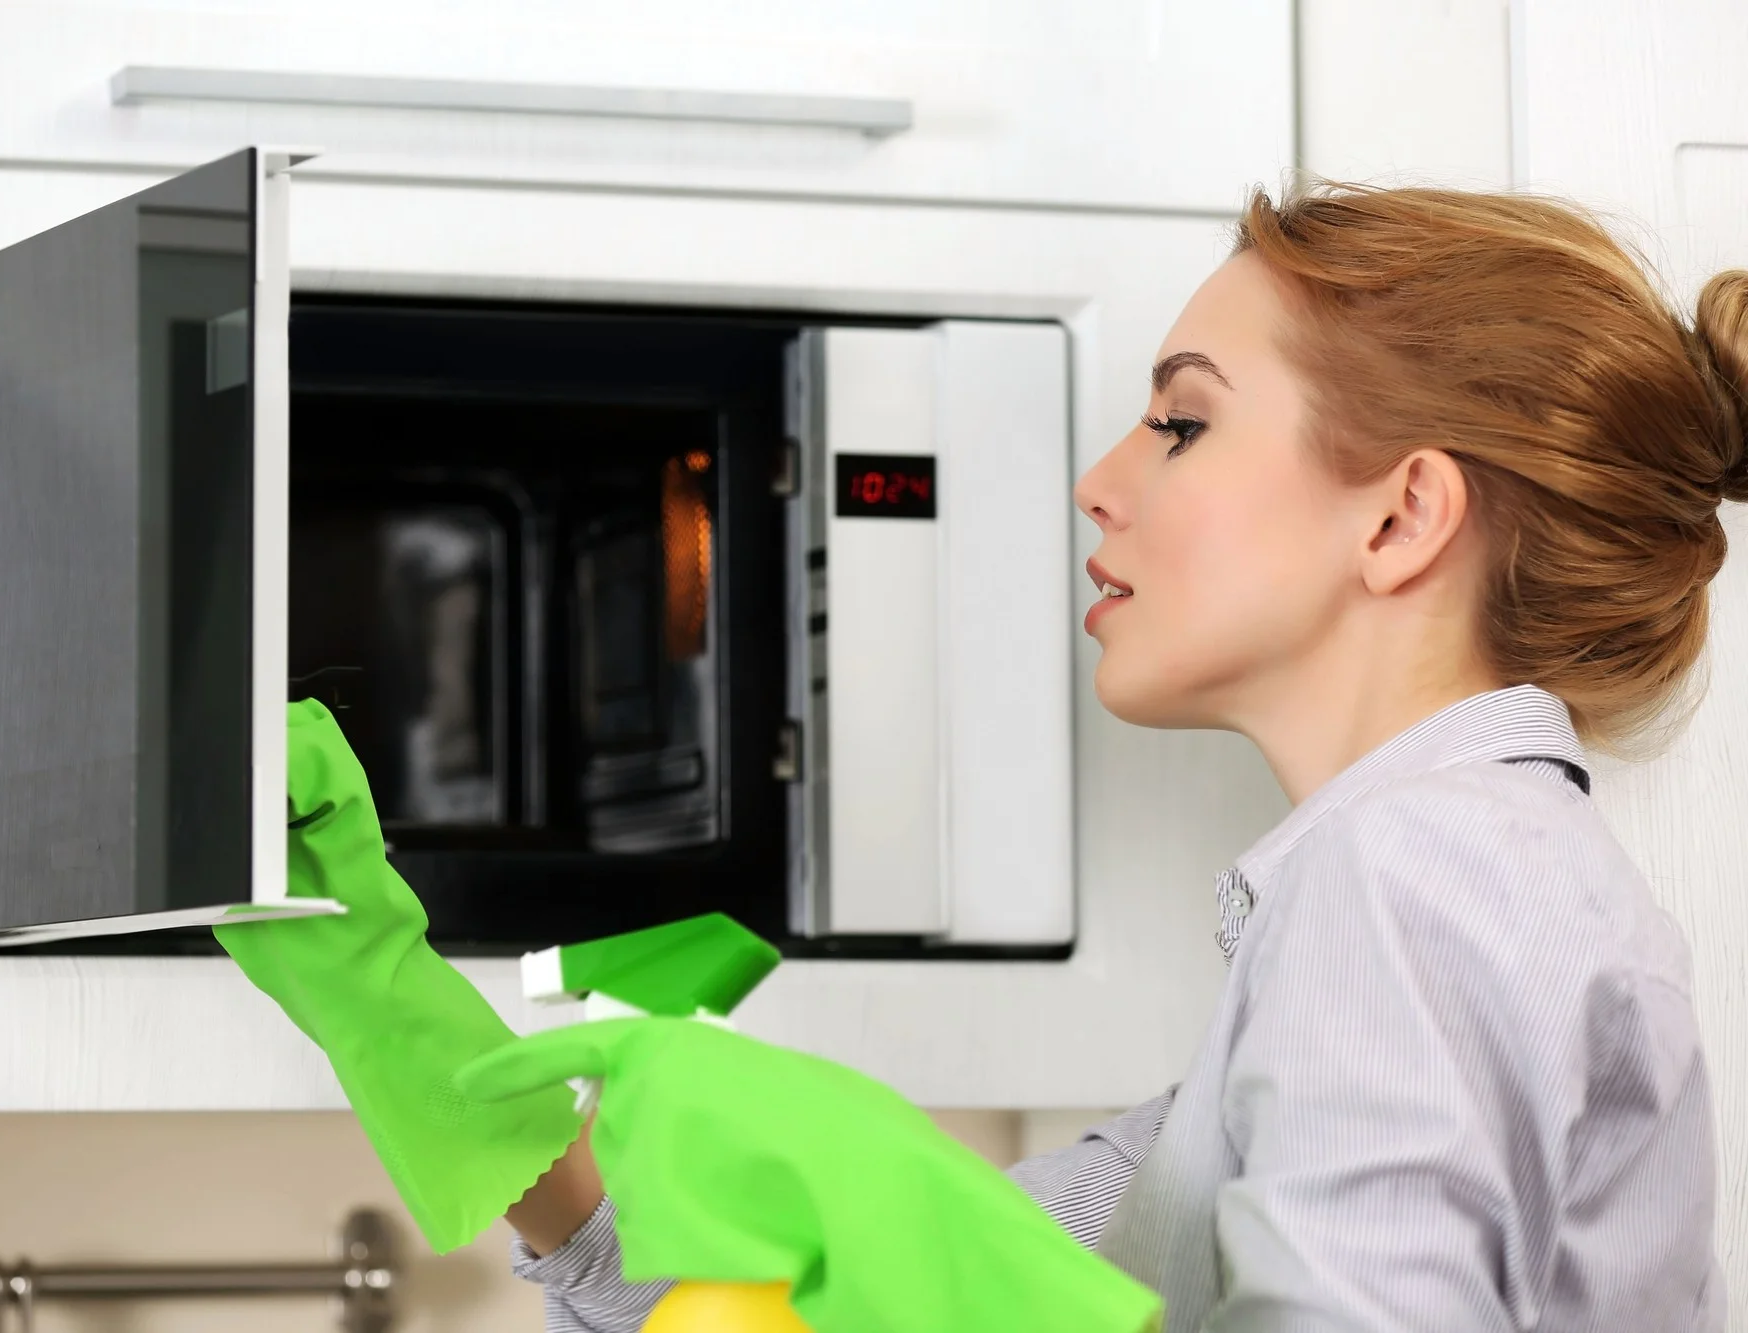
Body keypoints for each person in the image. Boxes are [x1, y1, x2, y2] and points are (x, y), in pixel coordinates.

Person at [491, 180, 1742, 1330]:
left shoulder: (1418, 866)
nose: (1097, 482)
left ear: (1400, 515)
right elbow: (918, 1284)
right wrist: (427, 1048)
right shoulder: (1427, 881)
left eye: (1180, 423)